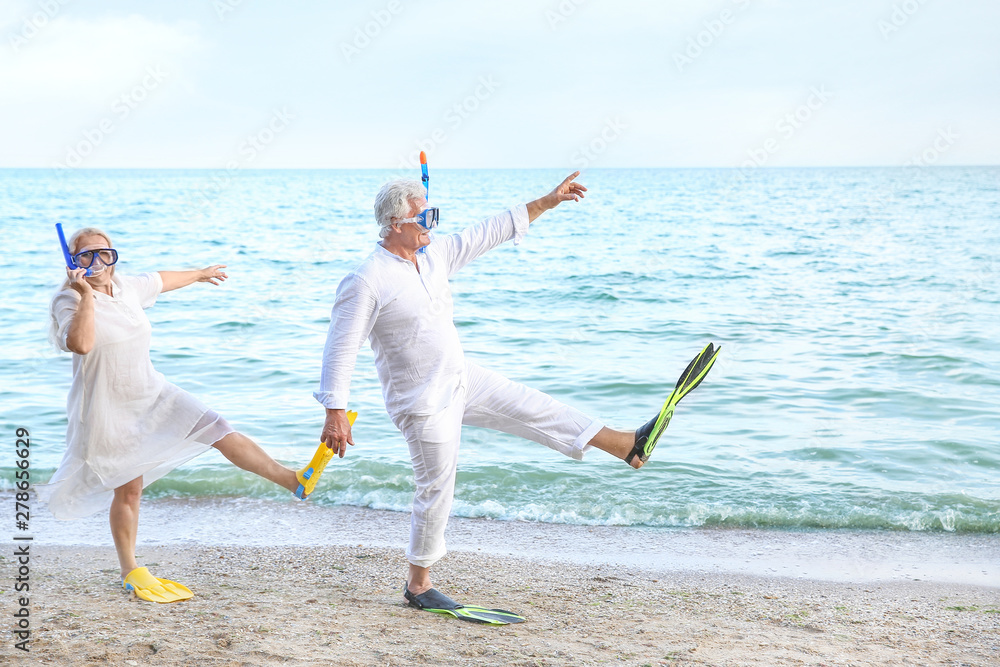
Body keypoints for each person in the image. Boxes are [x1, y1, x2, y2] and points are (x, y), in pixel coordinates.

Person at [315, 173, 719, 616]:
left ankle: (626, 444)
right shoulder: (367, 279)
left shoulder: (432, 257)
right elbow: (341, 345)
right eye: (425, 215)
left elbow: (488, 231)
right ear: (396, 222)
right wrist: (335, 410)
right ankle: (418, 585)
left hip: (460, 377)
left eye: (435, 212)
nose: (434, 222)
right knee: (437, 488)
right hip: (423, 403)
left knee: (534, 407)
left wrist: (546, 202)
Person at [40, 226, 321, 604]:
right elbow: (82, 344)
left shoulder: (127, 287)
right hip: (107, 409)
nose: (98, 262)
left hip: (152, 392)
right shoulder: (67, 300)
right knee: (130, 490)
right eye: (87, 255)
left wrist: (201, 273)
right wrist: (86, 295)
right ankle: (129, 570)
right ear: (73, 262)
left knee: (217, 427)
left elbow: (162, 279)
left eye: (105, 254)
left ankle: (294, 480)